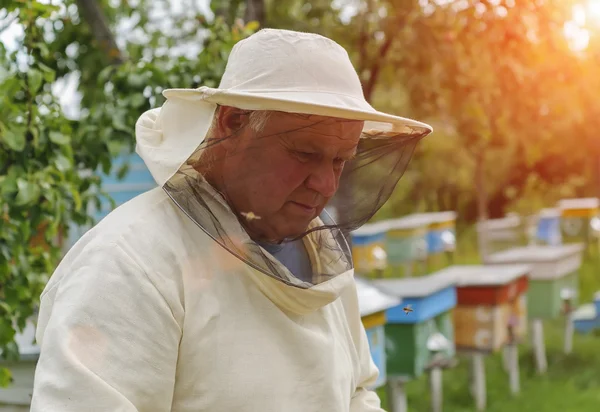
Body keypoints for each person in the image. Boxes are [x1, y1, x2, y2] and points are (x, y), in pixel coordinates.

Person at [30, 28, 432, 411]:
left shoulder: (319, 255)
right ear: (233, 122)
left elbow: (356, 391)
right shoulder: (126, 264)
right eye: (305, 154)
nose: (325, 184)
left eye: (340, 161)